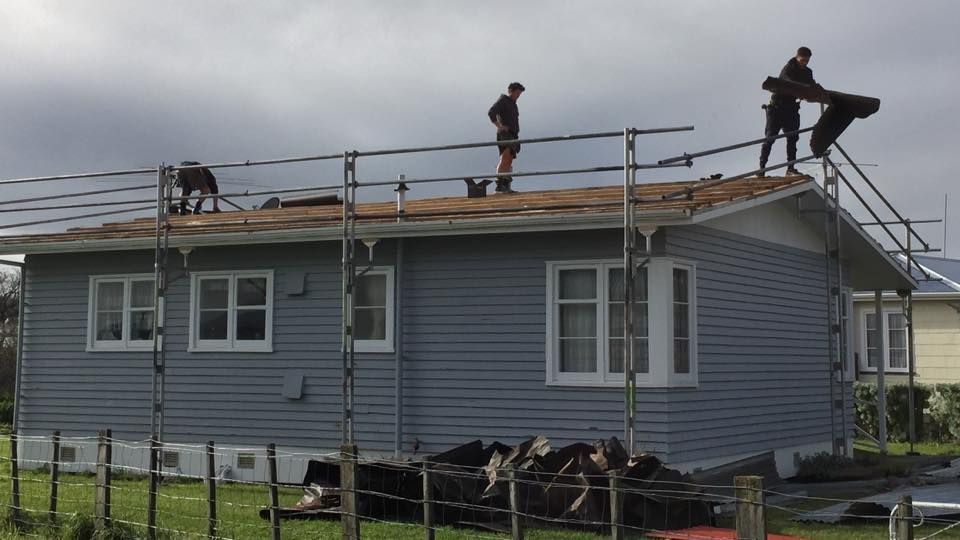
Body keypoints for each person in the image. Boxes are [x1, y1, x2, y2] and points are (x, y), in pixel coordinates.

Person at [759, 47, 817, 177]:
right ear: (797, 57)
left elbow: (812, 85)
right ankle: (761, 169)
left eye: (807, 61)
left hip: (791, 109)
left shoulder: (808, 72)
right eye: (802, 60)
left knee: (793, 138)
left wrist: (814, 90)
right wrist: (802, 89)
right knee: (770, 138)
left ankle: (790, 168)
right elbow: (788, 81)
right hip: (777, 108)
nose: (805, 63)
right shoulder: (788, 68)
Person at [487, 82, 525, 193]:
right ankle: (500, 185)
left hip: (513, 135)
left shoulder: (513, 104)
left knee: (509, 159)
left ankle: (506, 185)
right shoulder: (503, 100)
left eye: (519, 94)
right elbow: (491, 112)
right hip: (505, 134)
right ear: (510, 91)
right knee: (505, 157)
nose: (518, 96)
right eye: (517, 93)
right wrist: (499, 126)